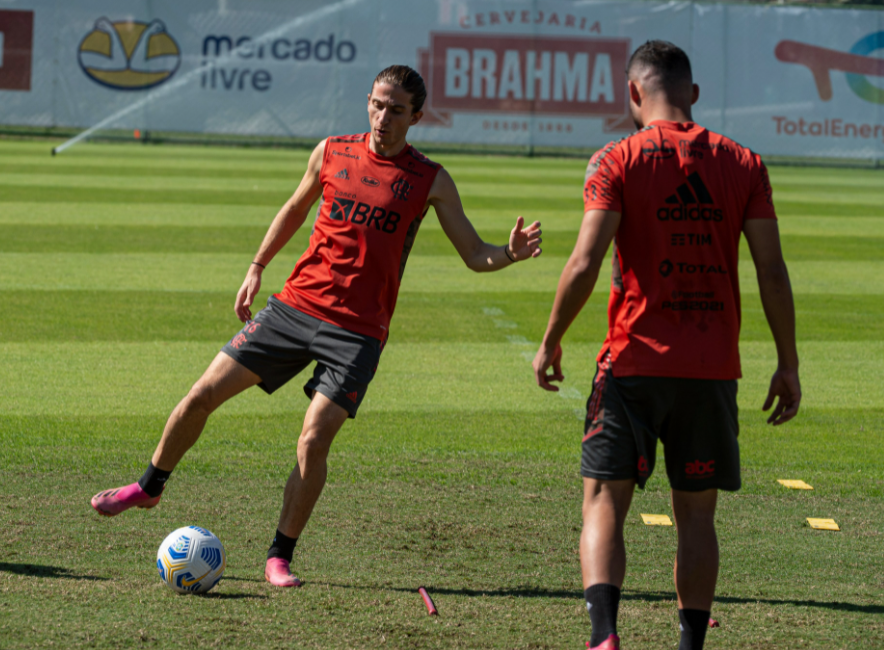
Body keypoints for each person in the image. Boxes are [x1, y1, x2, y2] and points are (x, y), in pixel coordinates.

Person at [91, 65, 542, 587]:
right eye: (377, 104)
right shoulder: (331, 151)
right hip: (293, 308)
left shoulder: (430, 179)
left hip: (357, 333)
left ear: (417, 117)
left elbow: (474, 254)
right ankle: (149, 486)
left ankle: (279, 556)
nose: (383, 117)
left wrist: (507, 254)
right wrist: (257, 266)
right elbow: (294, 208)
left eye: (397, 110)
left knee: (313, 439)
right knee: (200, 395)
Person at [532, 41, 800, 650]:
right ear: (693, 95)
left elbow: (583, 261)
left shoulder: (615, 159)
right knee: (697, 517)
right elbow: (773, 272)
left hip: (630, 364)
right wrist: (787, 363)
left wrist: (550, 341)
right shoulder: (746, 163)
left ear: (633, 92)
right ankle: (689, 646)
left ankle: (605, 637)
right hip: (710, 371)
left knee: (602, 502)